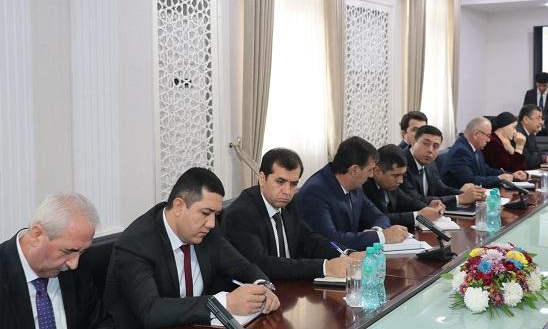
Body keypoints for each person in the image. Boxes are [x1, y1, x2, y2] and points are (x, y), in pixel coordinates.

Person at [104, 167, 280, 328]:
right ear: (179, 206)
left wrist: (263, 287)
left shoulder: (207, 231)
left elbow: (241, 267)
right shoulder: (135, 245)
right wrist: (224, 303)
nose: (211, 223)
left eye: (216, 214)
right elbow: (151, 311)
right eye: (205, 213)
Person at [222, 148, 361, 280]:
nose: (287, 191)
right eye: (280, 182)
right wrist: (325, 267)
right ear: (262, 178)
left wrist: (347, 254)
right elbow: (261, 264)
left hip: (290, 285)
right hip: (262, 288)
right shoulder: (241, 214)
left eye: (293, 184)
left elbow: (310, 240)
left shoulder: (287, 203)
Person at [0, 193, 112, 329]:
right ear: (37, 235)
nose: (74, 264)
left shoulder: (76, 262)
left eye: (82, 252)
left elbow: (100, 322)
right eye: (67, 251)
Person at [296, 136, 409, 251]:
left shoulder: (355, 187)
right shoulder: (315, 192)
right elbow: (330, 240)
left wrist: (376, 230)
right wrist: (382, 236)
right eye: (369, 170)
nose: (371, 175)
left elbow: (380, 216)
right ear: (355, 170)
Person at [363, 144, 445, 231]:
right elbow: (376, 218)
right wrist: (417, 216)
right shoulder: (363, 187)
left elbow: (409, 202)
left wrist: (428, 207)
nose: (400, 181)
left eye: (402, 175)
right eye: (395, 175)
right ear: (377, 171)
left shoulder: (391, 185)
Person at [402, 125, 486, 208]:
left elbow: (441, 189)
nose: (430, 150)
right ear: (413, 142)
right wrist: (459, 199)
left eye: (435, 146)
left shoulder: (430, 162)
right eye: (426, 144)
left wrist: (471, 195)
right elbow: (416, 200)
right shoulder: (402, 163)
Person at [442, 117, 528, 188]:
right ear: (476, 134)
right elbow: (469, 181)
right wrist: (499, 178)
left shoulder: (473, 147)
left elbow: (485, 170)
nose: (489, 140)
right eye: (488, 135)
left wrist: (510, 175)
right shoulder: (460, 151)